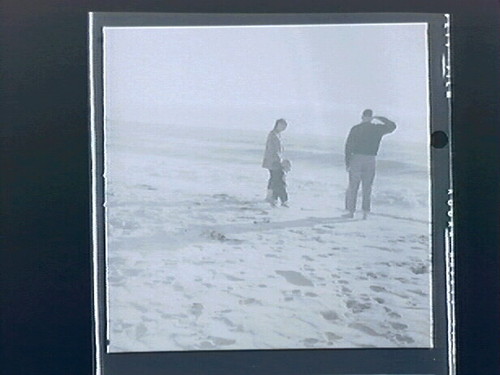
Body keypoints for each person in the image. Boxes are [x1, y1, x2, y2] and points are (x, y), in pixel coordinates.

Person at [343, 109, 396, 219]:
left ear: (362, 116)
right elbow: (392, 126)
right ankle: (365, 213)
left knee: (353, 186)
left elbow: (348, 146)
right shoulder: (377, 129)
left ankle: (351, 212)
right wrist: (379, 118)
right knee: (367, 187)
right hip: (370, 159)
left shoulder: (356, 128)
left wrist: (347, 162)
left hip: (356, 158)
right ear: (371, 117)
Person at [262, 118, 288, 202]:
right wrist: (279, 161)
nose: (283, 127)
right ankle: (281, 199)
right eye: (281, 125)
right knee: (278, 180)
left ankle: (272, 197)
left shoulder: (278, 135)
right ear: (277, 125)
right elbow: (271, 150)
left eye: (284, 126)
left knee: (275, 180)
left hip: (276, 161)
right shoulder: (272, 135)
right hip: (273, 161)